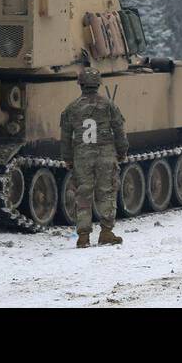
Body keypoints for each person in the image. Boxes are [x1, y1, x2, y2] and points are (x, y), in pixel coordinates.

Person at [59, 68, 129, 248]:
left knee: (83, 194)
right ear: (98, 83)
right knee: (107, 191)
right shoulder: (108, 105)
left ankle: (83, 236)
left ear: (80, 84)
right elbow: (119, 131)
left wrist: (68, 158)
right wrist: (122, 152)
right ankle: (106, 232)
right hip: (105, 154)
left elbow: (65, 138)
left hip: (82, 156)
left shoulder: (71, 108)